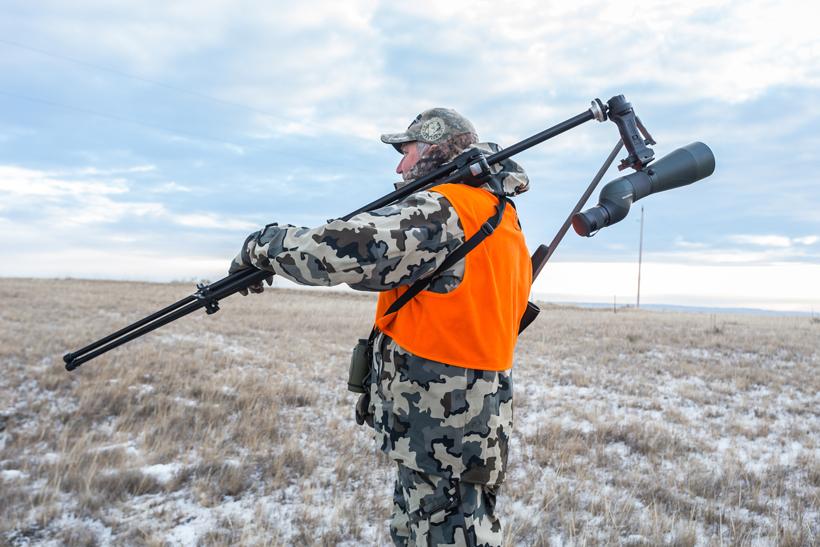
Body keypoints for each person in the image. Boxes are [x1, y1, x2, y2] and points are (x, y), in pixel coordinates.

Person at [229, 108, 532, 546]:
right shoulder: (500, 213)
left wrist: (261, 245)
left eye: (406, 152)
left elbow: (336, 251)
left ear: (433, 152)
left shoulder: (445, 210)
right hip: (462, 425)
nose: (399, 166)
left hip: (443, 430)